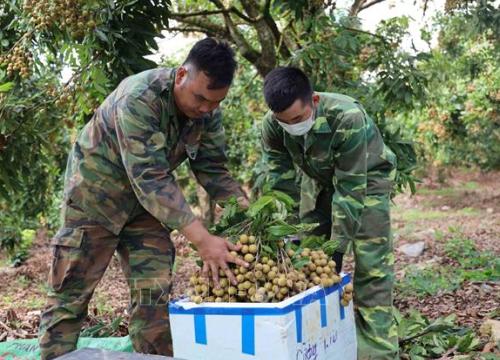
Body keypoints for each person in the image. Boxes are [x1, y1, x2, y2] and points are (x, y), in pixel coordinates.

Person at [39, 37, 248, 360]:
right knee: (70, 292)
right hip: (94, 201)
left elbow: (213, 170)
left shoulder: (207, 114)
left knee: (154, 294)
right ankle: (54, 356)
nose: (206, 109)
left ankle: (154, 356)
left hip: (145, 210)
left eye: (215, 102)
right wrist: (203, 239)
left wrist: (247, 212)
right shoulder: (139, 97)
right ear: (181, 76)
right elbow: (149, 176)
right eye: (201, 98)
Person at [260, 66, 398, 359]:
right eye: (284, 122)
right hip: (319, 181)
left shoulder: (347, 117)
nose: (291, 126)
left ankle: (377, 351)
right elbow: (281, 185)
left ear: (315, 100)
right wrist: (288, 236)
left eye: (298, 119)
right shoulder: (273, 126)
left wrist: (336, 249)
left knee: (372, 265)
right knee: (308, 256)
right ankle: (323, 342)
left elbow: (350, 189)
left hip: (366, 180)